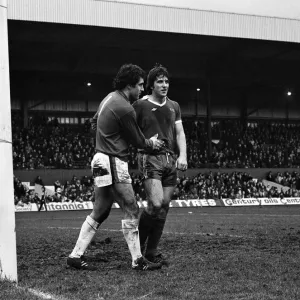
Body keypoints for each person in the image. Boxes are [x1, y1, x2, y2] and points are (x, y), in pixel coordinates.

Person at [67, 64, 165, 271]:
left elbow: (94, 123)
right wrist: (152, 144)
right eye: (139, 85)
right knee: (131, 208)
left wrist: (108, 138)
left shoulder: (108, 98)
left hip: (100, 158)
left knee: (100, 211)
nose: (142, 90)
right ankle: (138, 260)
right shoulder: (125, 108)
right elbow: (139, 141)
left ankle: (75, 256)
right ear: (129, 85)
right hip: (113, 161)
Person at [132, 64, 187, 265]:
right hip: (149, 158)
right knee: (155, 203)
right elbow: (129, 129)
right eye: (160, 81)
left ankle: (152, 252)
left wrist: (183, 156)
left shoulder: (174, 106)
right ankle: (136, 248)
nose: (164, 85)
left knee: (164, 207)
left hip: (170, 159)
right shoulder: (139, 105)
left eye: (166, 81)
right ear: (151, 85)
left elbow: (180, 132)